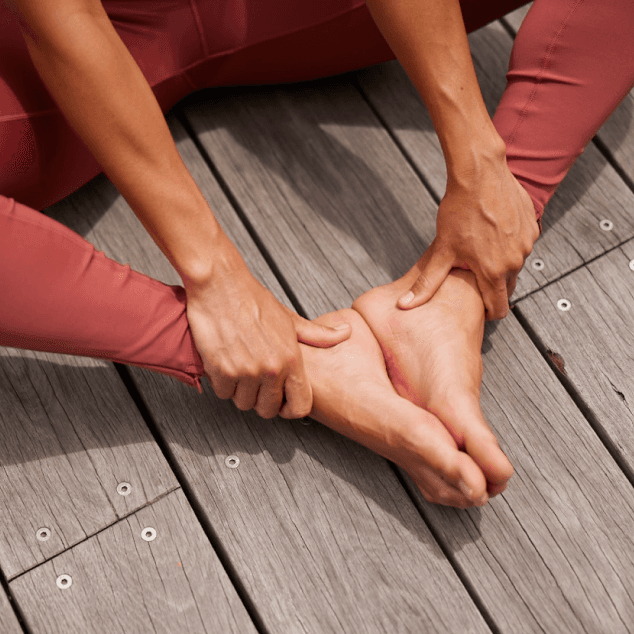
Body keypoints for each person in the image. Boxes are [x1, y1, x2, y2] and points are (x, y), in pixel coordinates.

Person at [1, 0, 633, 506]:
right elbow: (62, 18)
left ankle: (451, 291)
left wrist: (481, 163)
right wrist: (215, 279)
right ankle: (311, 364)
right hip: (35, 69)